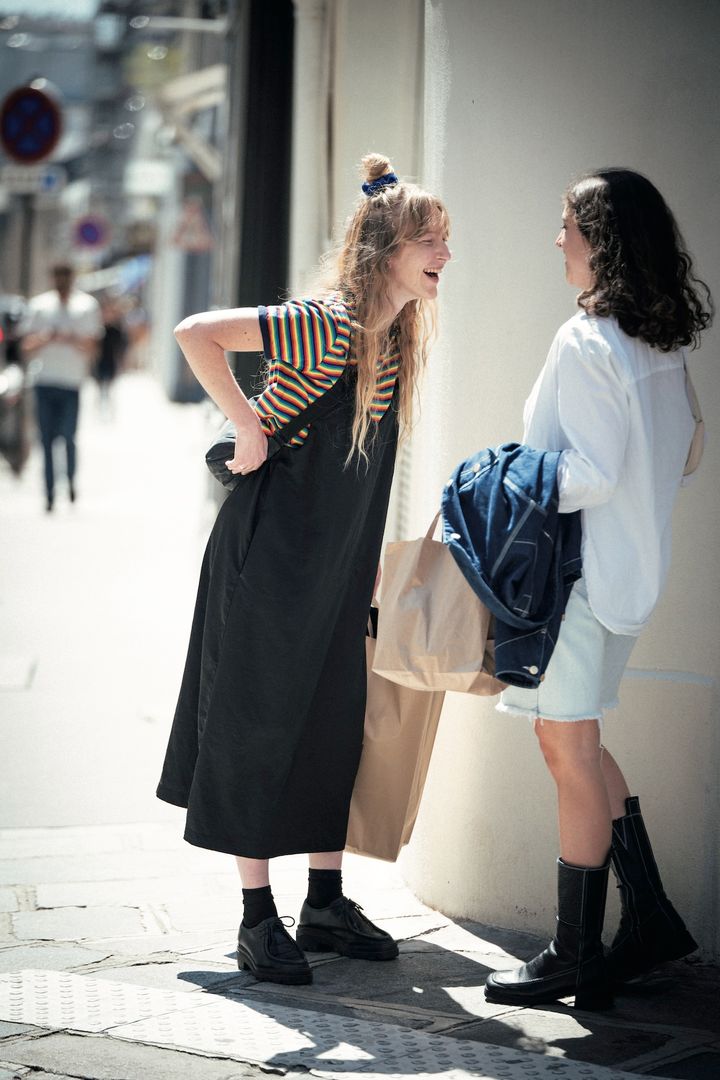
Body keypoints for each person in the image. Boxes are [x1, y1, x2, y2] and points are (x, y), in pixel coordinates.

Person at [156, 154, 451, 985]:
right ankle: (258, 918)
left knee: (331, 721)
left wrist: (365, 561)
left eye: (444, 239)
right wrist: (246, 426)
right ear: (387, 249)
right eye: (429, 239)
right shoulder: (325, 322)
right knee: (256, 722)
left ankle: (324, 901)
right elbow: (195, 332)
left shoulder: (399, 334)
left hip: (333, 561)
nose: (445, 254)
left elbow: (368, 469)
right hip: (270, 551)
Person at [484, 169, 712, 1010]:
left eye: (569, 225)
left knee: (566, 750)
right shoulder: (661, 342)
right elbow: (689, 451)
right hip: (631, 573)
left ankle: (573, 957)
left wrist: (504, 475)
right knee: (579, 744)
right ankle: (647, 920)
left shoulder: (586, 339)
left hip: (579, 579)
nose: (558, 240)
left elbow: (590, 472)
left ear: (602, 241)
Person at [20, 263, 103, 511]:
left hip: (71, 383)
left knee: (68, 437)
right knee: (45, 440)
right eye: (58, 277)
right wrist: (46, 338)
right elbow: (25, 345)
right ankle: (49, 493)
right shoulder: (40, 306)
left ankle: (70, 483)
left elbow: (93, 346)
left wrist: (70, 338)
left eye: (65, 277)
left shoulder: (86, 306)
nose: (61, 282)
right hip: (44, 381)